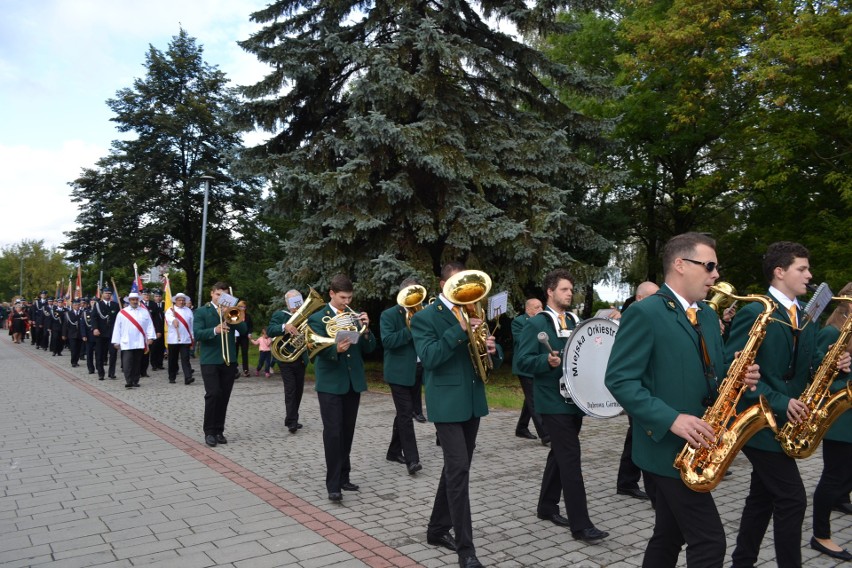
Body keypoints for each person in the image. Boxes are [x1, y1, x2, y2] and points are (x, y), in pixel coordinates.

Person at [605, 232, 760, 568]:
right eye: (709, 266)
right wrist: (671, 419)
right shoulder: (645, 313)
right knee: (709, 542)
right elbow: (619, 379)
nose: (715, 275)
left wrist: (735, 377)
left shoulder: (705, 314)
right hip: (666, 451)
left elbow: (709, 373)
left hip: (699, 443)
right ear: (679, 264)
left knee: (669, 535)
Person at [728, 241, 834, 568]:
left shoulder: (805, 314)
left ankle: (742, 561)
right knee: (792, 499)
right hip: (759, 423)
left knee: (761, 499)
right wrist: (780, 401)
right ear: (779, 272)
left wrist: (832, 362)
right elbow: (736, 373)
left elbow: (811, 360)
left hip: (786, 422)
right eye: (802, 269)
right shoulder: (754, 312)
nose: (810, 275)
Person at [410, 261, 503, 568]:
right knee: (459, 468)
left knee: (456, 469)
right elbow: (431, 358)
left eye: (467, 285)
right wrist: (459, 330)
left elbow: (489, 358)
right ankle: (466, 549)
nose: (464, 291)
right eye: (456, 285)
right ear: (442, 285)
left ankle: (437, 529)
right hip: (447, 403)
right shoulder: (424, 317)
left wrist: (492, 349)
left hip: (472, 401)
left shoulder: (475, 310)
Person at [516, 269, 609, 543]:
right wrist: (545, 362)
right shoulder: (536, 324)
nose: (570, 293)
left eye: (571, 289)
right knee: (570, 459)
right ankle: (581, 525)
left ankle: (546, 506)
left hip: (575, 402)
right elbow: (521, 362)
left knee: (559, 454)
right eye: (565, 289)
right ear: (550, 292)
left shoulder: (575, 320)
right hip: (552, 402)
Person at [307, 275, 377, 501]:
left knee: (347, 432)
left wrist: (366, 329)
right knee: (333, 433)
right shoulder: (318, 318)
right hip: (330, 383)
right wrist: (333, 350)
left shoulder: (354, 317)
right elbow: (313, 349)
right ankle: (333, 484)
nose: (346, 302)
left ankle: (345, 477)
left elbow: (369, 349)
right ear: (331, 294)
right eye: (342, 297)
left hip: (352, 382)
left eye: (349, 297)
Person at [809, 281, 852, 561]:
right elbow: (817, 379)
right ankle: (820, 535)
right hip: (839, 421)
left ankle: (840, 499)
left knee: (843, 475)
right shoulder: (830, 332)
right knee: (833, 477)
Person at [615, 281, 659, 503]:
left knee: (635, 436)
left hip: (646, 388)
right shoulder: (635, 315)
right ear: (640, 298)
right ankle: (651, 492)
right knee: (644, 436)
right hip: (639, 389)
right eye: (653, 296)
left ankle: (627, 482)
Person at [193, 282, 248, 447]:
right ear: (212, 294)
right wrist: (214, 330)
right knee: (213, 394)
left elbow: (244, 330)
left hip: (229, 360)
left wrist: (231, 315)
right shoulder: (203, 311)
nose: (220, 298)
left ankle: (219, 430)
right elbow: (197, 334)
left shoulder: (231, 312)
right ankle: (209, 431)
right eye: (218, 294)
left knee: (224, 396)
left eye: (224, 295)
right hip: (210, 360)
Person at [380, 278, 423, 475]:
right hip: (397, 373)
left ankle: (393, 451)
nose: (413, 299)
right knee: (406, 414)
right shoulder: (389, 315)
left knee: (404, 412)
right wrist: (411, 327)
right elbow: (388, 341)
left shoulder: (422, 313)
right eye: (409, 294)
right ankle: (412, 460)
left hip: (418, 370)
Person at [267, 289, 311, 434]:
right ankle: (292, 422)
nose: (295, 304)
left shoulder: (305, 316)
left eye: (298, 300)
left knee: (298, 390)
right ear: (287, 303)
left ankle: (292, 418)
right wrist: (284, 327)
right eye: (292, 301)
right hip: (285, 358)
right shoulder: (280, 315)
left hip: (300, 357)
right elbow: (270, 330)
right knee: (291, 389)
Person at [512, 297, 547, 444]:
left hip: (538, 364)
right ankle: (546, 436)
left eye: (541, 307)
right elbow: (522, 341)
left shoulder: (544, 321)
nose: (540, 310)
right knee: (534, 400)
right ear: (528, 309)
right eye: (536, 307)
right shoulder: (519, 322)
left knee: (530, 398)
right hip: (524, 367)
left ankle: (521, 427)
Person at [111, 292, 156, 388]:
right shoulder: (122, 313)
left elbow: (149, 325)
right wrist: (116, 341)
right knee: (127, 363)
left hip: (140, 341)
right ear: (129, 301)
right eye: (133, 299)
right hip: (127, 341)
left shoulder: (144, 312)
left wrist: (151, 337)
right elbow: (117, 328)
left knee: (137, 362)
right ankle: (128, 380)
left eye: (136, 299)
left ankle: (135, 380)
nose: (135, 301)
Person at [165, 292, 195, 385]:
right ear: (175, 301)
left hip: (185, 338)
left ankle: (188, 377)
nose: (181, 302)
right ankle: (172, 377)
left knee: (185, 359)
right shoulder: (170, 310)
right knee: (173, 359)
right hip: (174, 339)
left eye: (183, 300)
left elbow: (191, 325)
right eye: (179, 300)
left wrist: (192, 337)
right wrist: (173, 320)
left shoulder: (188, 311)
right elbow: (168, 318)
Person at [93, 288, 120, 380]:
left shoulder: (115, 305)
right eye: (106, 293)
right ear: (102, 294)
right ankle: (101, 373)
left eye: (109, 293)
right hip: (100, 333)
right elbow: (94, 317)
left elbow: (119, 319)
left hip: (113, 333)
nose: (108, 295)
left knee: (113, 354)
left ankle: (111, 373)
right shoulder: (97, 305)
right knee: (100, 354)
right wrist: (95, 328)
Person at [62, 298, 85, 367]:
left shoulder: (82, 313)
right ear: (72, 306)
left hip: (80, 334)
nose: (77, 306)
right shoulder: (68, 313)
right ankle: (73, 362)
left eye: (78, 305)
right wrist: (64, 334)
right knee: (73, 349)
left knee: (78, 349)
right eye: (75, 305)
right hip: (72, 334)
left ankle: (76, 360)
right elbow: (65, 325)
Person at [234, 300, 253, 377]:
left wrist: (250, 333)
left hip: (244, 336)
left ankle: (246, 370)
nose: (243, 308)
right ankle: (234, 369)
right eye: (241, 306)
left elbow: (250, 326)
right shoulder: (234, 314)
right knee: (235, 353)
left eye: (244, 307)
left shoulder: (247, 316)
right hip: (236, 336)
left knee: (245, 353)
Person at [148, 289, 166, 371]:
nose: (158, 298)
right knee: (154, 348)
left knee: (161, 347)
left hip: (164, 329)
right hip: (154, 329)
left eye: (159, 296)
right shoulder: (151, 305)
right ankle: (154, 364)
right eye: (156, 296)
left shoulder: (165, 305)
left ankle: (160, 363)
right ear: (153, 297)